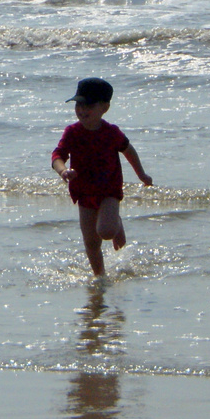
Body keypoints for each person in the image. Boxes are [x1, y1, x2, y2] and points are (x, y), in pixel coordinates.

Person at [51, 78, 152, 276]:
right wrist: (63, 170)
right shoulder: (72, 132)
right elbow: (57, 155)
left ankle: (116, 223)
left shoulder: (111, 133)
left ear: (104, 107)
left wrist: (142, 174)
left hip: (108, 190)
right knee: (90, 242)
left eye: (88, 104)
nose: (81, 109)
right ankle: (100, 277)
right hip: (83, 191)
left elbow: (129, 151)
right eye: (78, 104)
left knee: (106, 231)